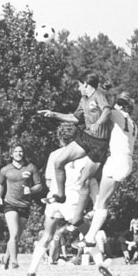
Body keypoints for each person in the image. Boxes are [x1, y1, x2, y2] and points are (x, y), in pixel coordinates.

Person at [27, 123, 111, 276]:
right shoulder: (86, 156)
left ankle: (32, 270)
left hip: (54, 199)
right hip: (73, 199)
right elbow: (90, 181)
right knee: (88, 233)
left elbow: (48, 179)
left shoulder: (54, 155)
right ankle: (100, 263)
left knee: (47, 235)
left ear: (60, 139)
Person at [75, 92, 138, 247]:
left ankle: (90, 237)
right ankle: (91, 225)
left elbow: (104, 110)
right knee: (102, 200)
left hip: (117, 159)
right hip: (127, 161)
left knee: (102, 201)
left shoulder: (116, 113)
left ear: (121, 106)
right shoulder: (133, 123)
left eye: (117, 103)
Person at [38, 72, 112, 204]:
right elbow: (75, 118)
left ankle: (93, 210)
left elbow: (107, 111)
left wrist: (98, 123)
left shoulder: (99, 96)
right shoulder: (84, 100)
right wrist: (54, 114)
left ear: (86, 84)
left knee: (85, 181)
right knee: (58, 162)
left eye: (79, 85)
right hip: (86, 137)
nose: (78, 88)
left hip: (99, 144)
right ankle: (61, 195)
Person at [0, 143, 42, 269]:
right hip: (10, 204)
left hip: (25, 205)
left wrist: (31, 190)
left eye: (21, 151)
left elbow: (39, 185)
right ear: (11, 154)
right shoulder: (5, 169)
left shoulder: (31, 168)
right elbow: (0, 184)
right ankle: (14, 262)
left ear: (24, 153)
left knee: (16, 237)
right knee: (14, 234)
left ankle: (5, 258)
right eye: (16, 151)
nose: (18, 154)